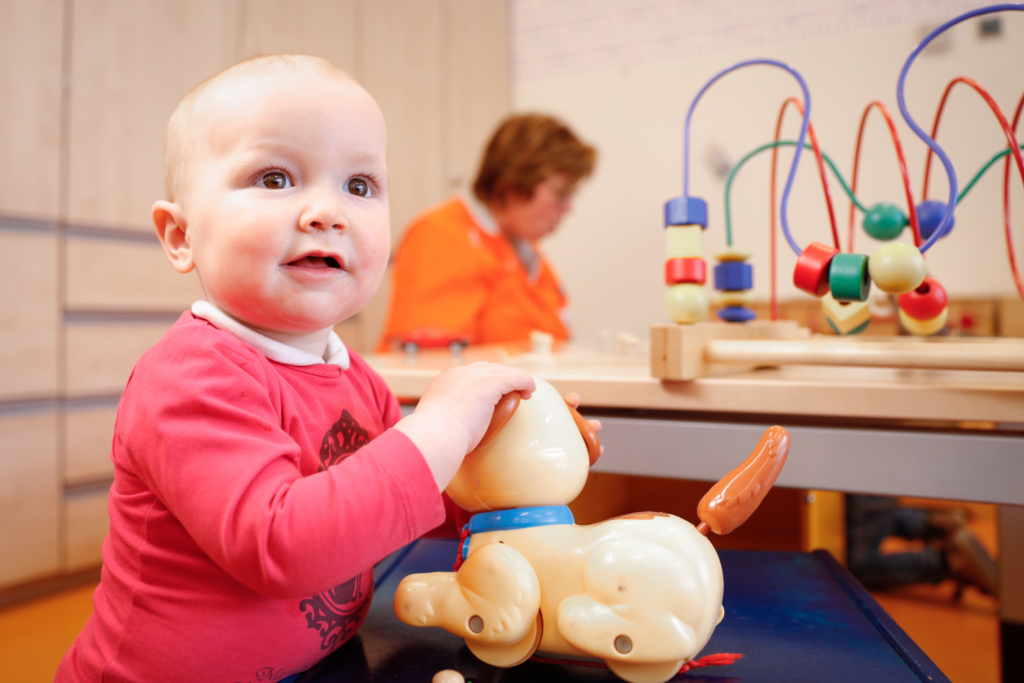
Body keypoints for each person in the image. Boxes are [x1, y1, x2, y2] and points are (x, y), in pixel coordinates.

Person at [56, 55, 606, 683]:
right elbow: (283, 547)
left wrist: (514, 467)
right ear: (180, 235)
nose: (327, 211)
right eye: (273, 178)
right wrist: (441, 424)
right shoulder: (189, 376)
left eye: (360, 186)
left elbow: (393, 500)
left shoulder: (356, 378)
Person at [378, 114, 596, 351]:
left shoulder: (524, 250)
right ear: (517, 185)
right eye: (562, 194)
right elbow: (426, 364)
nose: (568, 207)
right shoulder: (441, 236)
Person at [845, 495, 996, 598]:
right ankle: (931, 524)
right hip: (879, 491)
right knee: (877, 515)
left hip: (852, 496)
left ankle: (946, 561)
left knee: (849, 569)